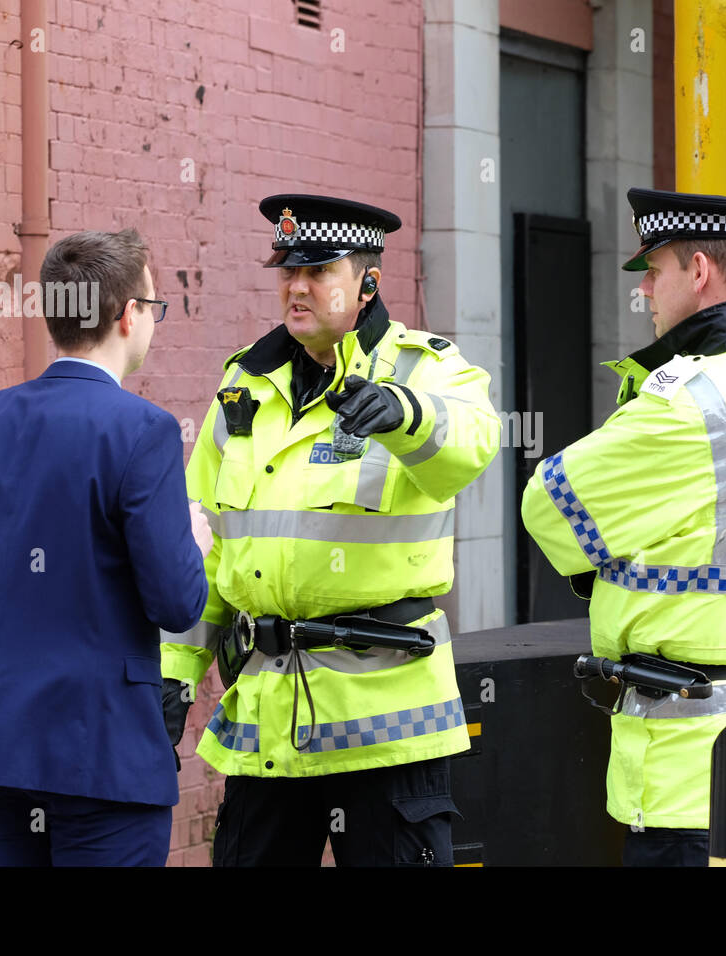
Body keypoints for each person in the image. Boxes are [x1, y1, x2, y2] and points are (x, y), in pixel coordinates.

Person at [161, 194, 500, 866]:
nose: (296, 286)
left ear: (368, 281)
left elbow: (475, 440)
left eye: (318, 270)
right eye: (286, 269)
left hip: (385, 728)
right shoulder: (244, 386)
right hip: (268, 724)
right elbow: (203, 545)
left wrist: (405, 414)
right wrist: (173, 672)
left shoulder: (423, 369)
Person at [520, 187, 726, 866]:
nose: (645, 293)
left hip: (692, 778)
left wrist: (610, 560)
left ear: (699, 272)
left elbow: (545, 503)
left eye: (654, 271)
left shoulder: (684, 406)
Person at [0, 228, 212, 866]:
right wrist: (190, 544)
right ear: (125, 315)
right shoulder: (145, 432)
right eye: (153, 307)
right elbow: (177, 604)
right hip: (104, 749)